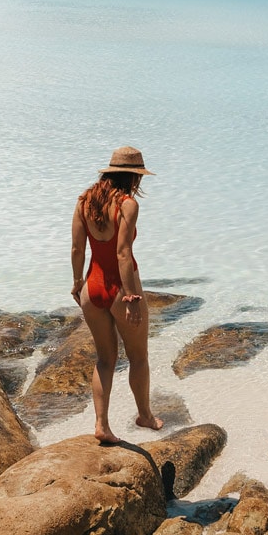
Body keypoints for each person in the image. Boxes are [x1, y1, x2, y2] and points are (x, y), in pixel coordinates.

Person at [71, 146, 164, 443]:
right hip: (119, 289)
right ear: (133, 178)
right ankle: (145, 415)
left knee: (105, 359)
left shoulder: (84, 201)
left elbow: (77, 248)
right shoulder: (127, 205)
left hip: (91, 287)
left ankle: (101, 425)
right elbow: (123, 253)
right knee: (138, 357)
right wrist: (132, 297)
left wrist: (76, 282)